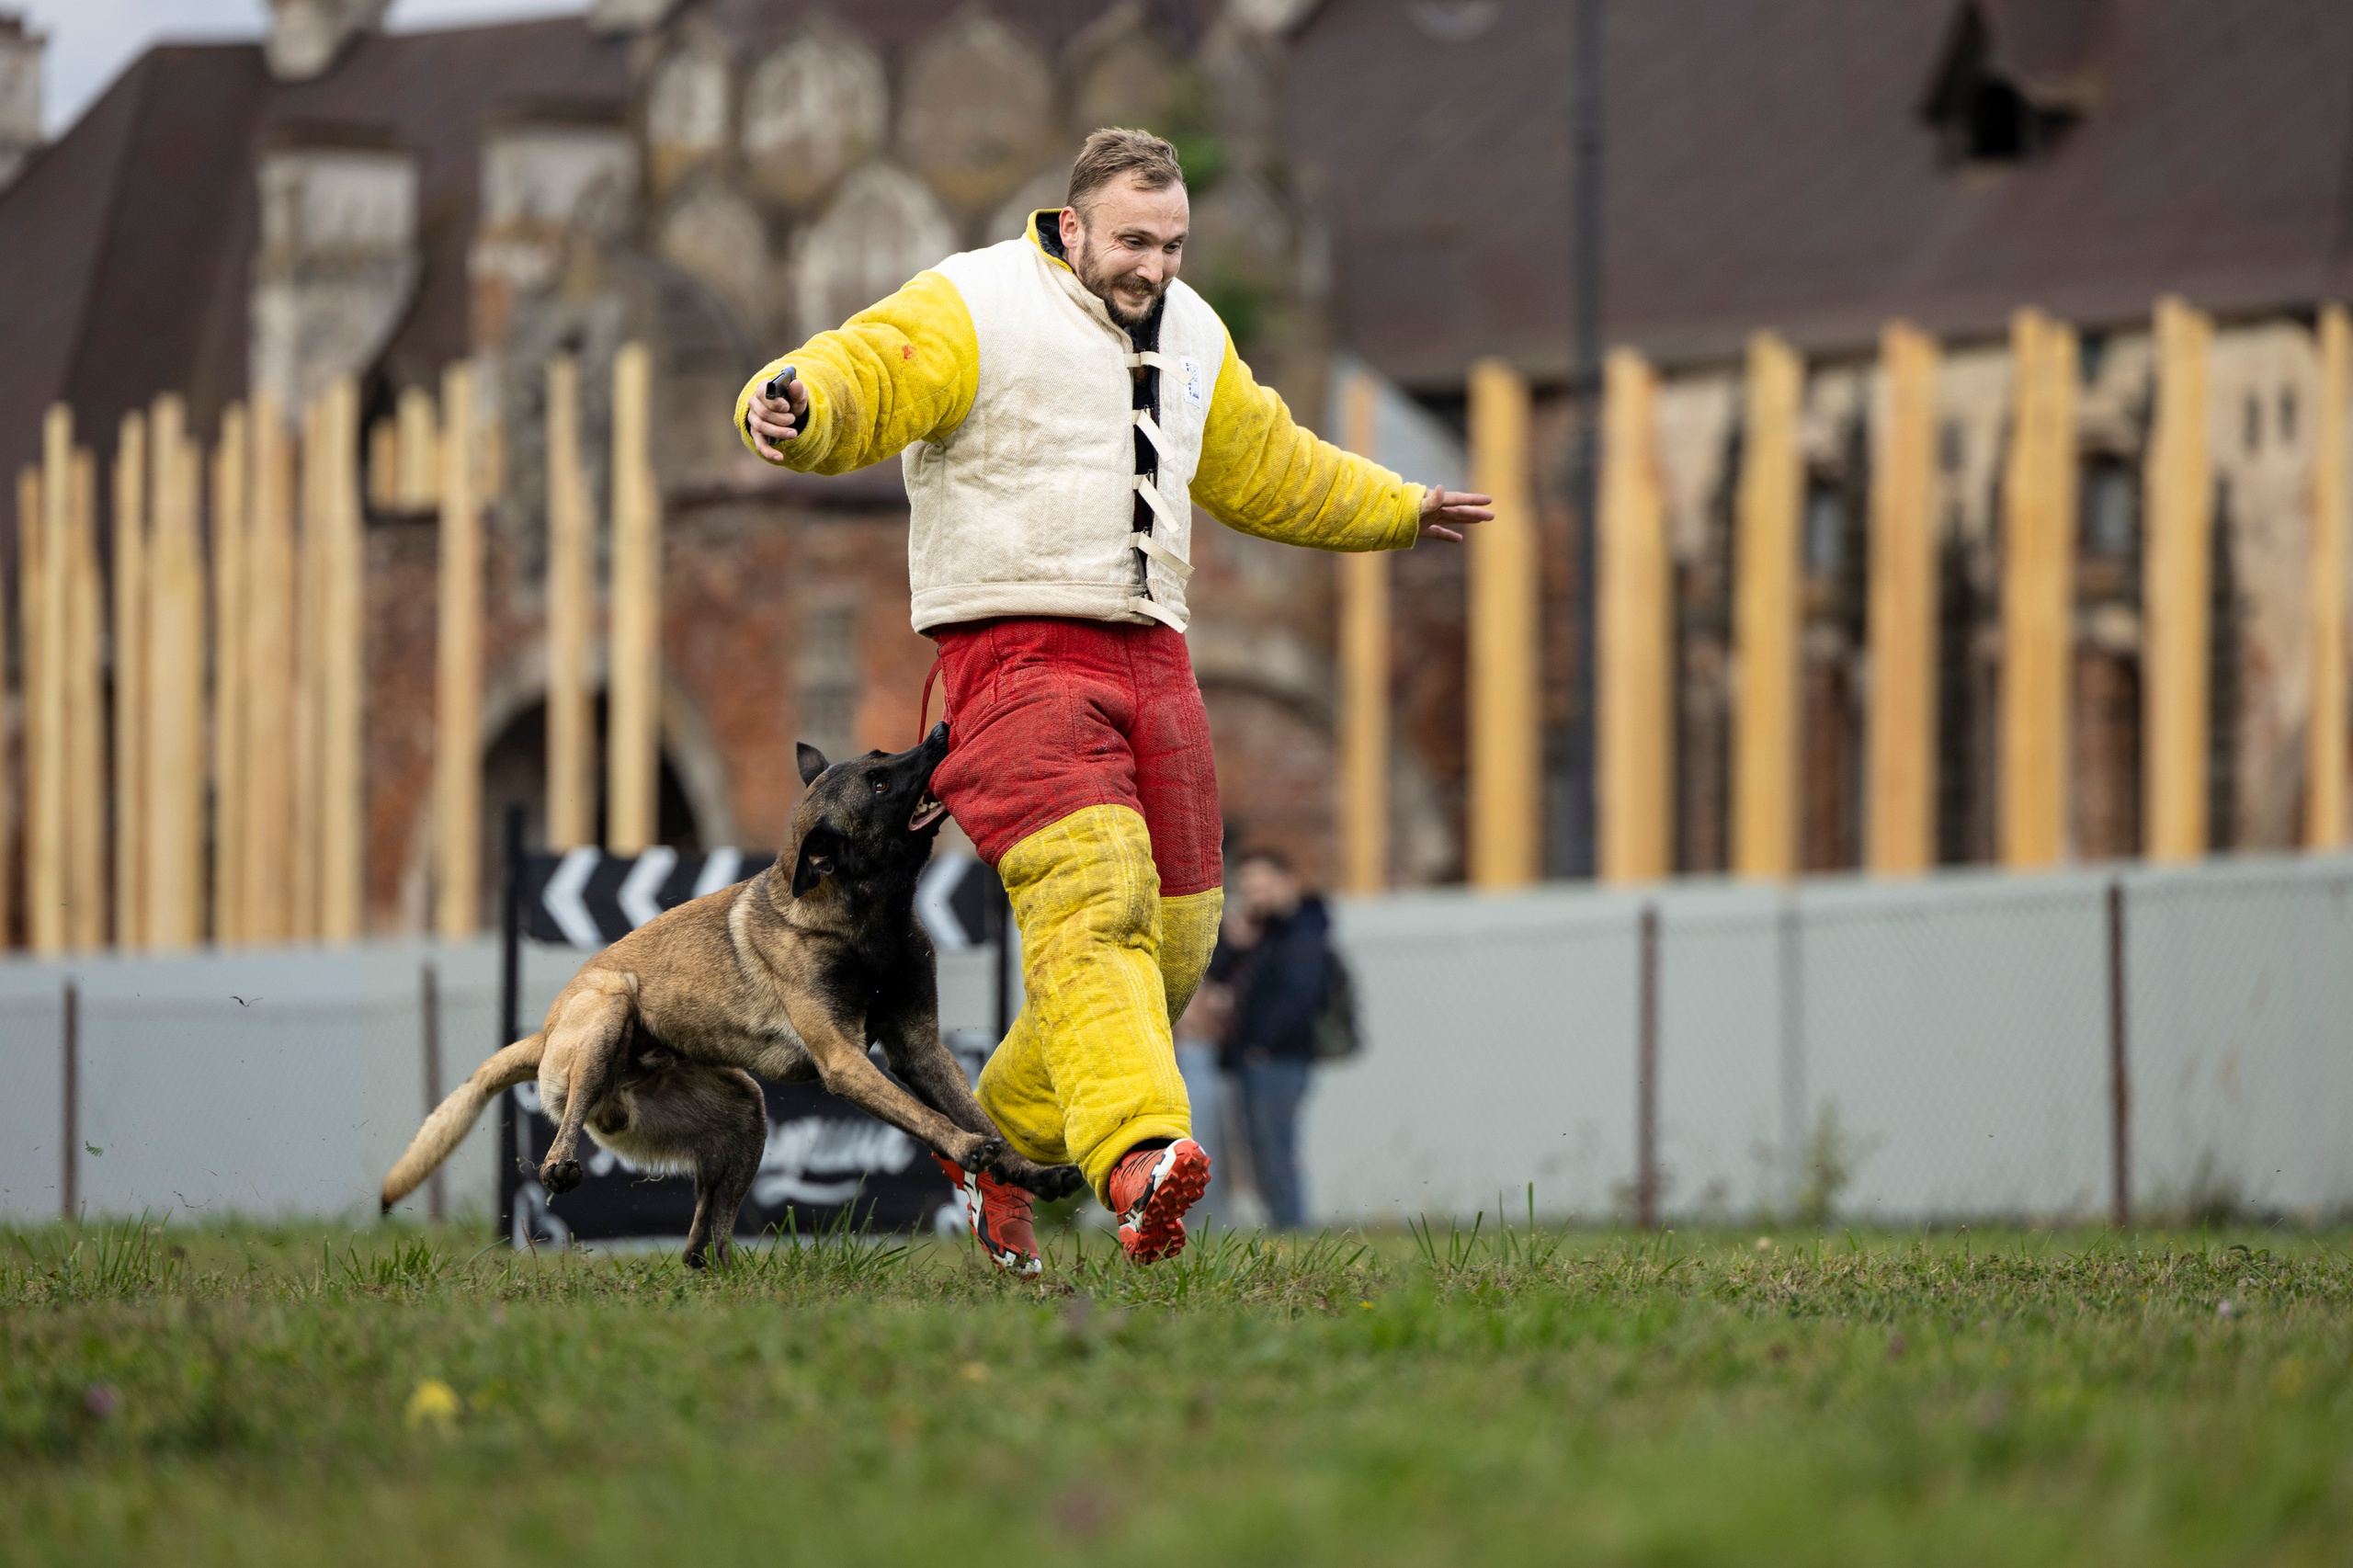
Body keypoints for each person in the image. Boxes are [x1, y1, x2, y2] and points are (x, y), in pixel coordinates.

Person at [735, 128, 1492, 1269]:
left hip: (1155, 657)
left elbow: (1269, 463)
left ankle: (989, 1143)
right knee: (1095, 896)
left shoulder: (1194, 333)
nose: (1155, 266)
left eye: (1174, 244)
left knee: (1178, 938)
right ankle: (1141, 1160)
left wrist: (1398, 505)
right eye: (1134, 241)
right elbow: (868, 369)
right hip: (1011, 652)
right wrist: (796, 405)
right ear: (1073, 224)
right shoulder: (975, 302)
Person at [1211, 847, 1330, 1230]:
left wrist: (1262, 1043)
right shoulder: (1255, 933)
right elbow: (1216, 975)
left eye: (1263, 887)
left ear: (1287, 884)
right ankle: (1282, 1224)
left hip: (1278, 1057)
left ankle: (1292, 1227)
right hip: (1248, 1056)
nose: (1255, 897)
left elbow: (1301, 995)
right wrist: (1234, 943)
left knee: (1275, 1145)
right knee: (1256, 1148)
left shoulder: (1302, 930)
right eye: (1248, 889)